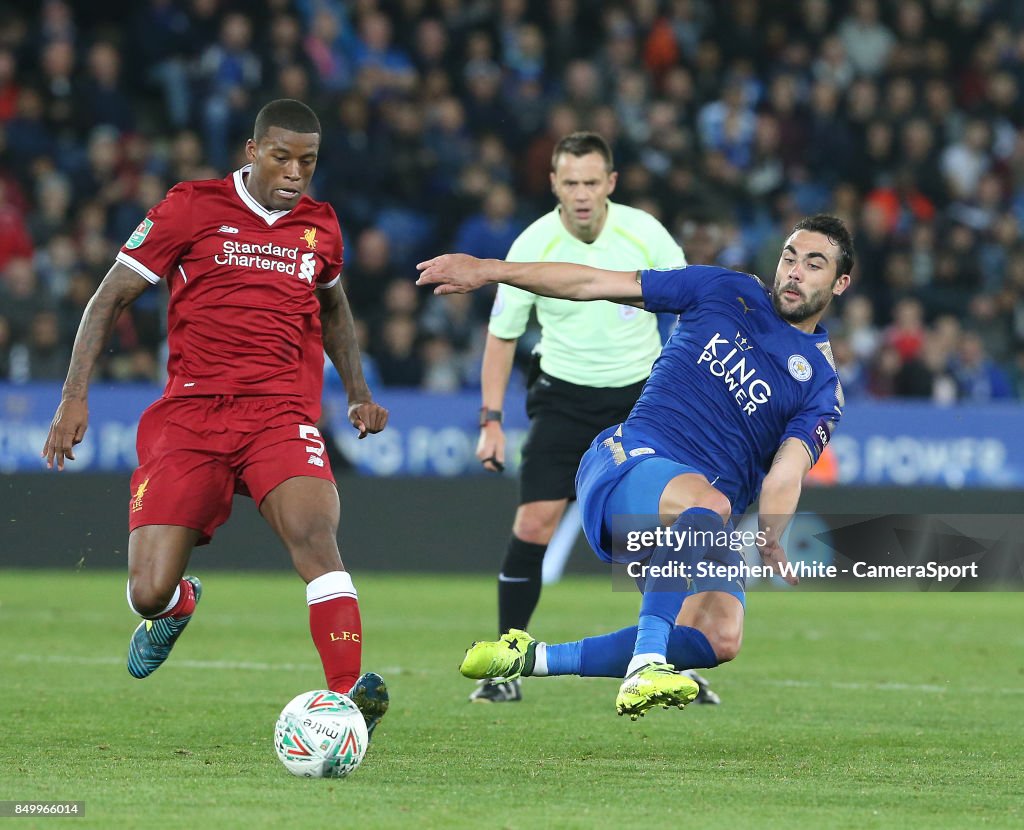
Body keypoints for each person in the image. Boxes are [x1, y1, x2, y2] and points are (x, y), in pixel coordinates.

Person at [42, 99, 391, 738]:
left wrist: (358, 391)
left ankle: (345, 700)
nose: (294, 173)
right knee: (147, 592)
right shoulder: (191, 207)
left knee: (316, 536)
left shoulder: (321, 227)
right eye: (281, 157)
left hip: (279, 414)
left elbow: (334, 307)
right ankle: (179, 603)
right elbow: (109, 296)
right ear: (251, 152)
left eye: (307, 162)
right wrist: (73, 396)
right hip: (193, 415)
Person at [417, 214, 852, 719]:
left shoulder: (821, 384)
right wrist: (490, 270)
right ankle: (646, 663)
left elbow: (787, 471)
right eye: (789, 258)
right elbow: (593, 282)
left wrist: (774, 532)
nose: (795, 273)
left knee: (719, 638)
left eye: (814, 265)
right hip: (625, 464)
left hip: (689, 529)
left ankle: (531, 659)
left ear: (840, 283)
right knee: (709, 501)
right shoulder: (722, 288)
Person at [470, 131, 698, 704]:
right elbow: (502, 337)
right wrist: (490, 421)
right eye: (570, 182)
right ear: (553, 184)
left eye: (591, 182)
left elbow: (694, 306)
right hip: (563, 400)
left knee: (652, 535)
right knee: (534, 525)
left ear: (611, 184)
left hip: (641, 401)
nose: (581, 193)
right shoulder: (532, 242)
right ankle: (504, 664)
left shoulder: (644, 233)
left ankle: (667, 661)